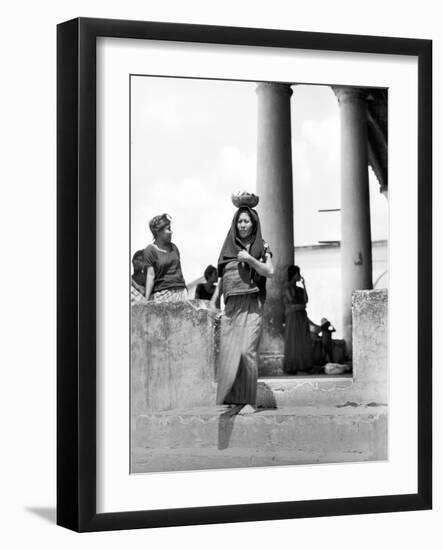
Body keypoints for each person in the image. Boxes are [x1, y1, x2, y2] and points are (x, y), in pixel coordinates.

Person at [210, 197, 274, 414]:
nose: (243, 225)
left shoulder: (262, 246)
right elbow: (222, 279)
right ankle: (234, 399)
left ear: (254, 224)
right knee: (230, 352)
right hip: (231, 307)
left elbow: (270, 271)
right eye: (240, 222)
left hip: (252, 303)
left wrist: (250, 259)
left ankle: (248, 400)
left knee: (247, 350)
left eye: (246, 221)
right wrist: (213, 304)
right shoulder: (228, 248)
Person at [143, 213, 187, 302]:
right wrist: (146, 300)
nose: (171, 232)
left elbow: (179, 270)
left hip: (180, 291)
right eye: (168, 229)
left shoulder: (174, 248)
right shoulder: (150, 250)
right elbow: (150, 275)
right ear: (158, 232)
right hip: (163, 294)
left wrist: (185, 288)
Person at [283, 265, 313, 374]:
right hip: (293, 317)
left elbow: (306, 300)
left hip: (301, 315)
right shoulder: (287, 287)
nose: (298, 276)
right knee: (293, 340)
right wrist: (301, 306)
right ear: (293, 274)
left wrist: (304, 285)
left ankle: (304, 365)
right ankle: (292, 366)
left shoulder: (299, 288)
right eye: (297, 273)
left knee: (303, 340)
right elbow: (292, 300)